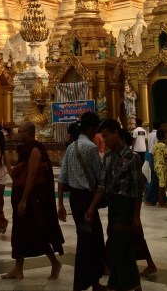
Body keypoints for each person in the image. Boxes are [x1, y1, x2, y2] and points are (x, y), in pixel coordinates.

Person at [86, 118, 146, 291]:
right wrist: (92, 207)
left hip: (126, 205)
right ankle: (126, 285)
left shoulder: (132, 158)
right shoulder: (109, 156)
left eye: (106, 136)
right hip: (113, 205)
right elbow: (102, 185)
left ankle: (126, 284)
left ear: (116, 134)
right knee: (120, 246)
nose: (104, 140)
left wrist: (136, 216)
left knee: (118, 247)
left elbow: (137, 190)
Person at [2, 121, 64, 281]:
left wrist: (23, 200)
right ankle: (18, 269)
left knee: (37, 232)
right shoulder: (25, 149)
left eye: (20, 131)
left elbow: (31, 176)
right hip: (22, 196)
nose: (16, 133)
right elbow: (20, 174)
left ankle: (55, 262)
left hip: (32, 200)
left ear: (27, 133)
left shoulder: (35, 150)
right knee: (19, 233)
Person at [58, 111, 106, 291]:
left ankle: (92, 281)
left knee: (86, 237)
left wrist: (60, 204)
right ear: (92, 128)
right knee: (91, 241)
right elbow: (100, 178)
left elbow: (62, 177)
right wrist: (93, 207)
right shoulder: (91, 148)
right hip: (87, 200)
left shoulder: (71, 146)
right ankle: (83, 283)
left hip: (75, 199)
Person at [144, 121, 160, 206]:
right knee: (155, 178)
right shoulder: (158, 135)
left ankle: (162, 198)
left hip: (150, 156)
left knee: (155, 177)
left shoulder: (149, 134)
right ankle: (149, 198)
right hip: (155, 156)